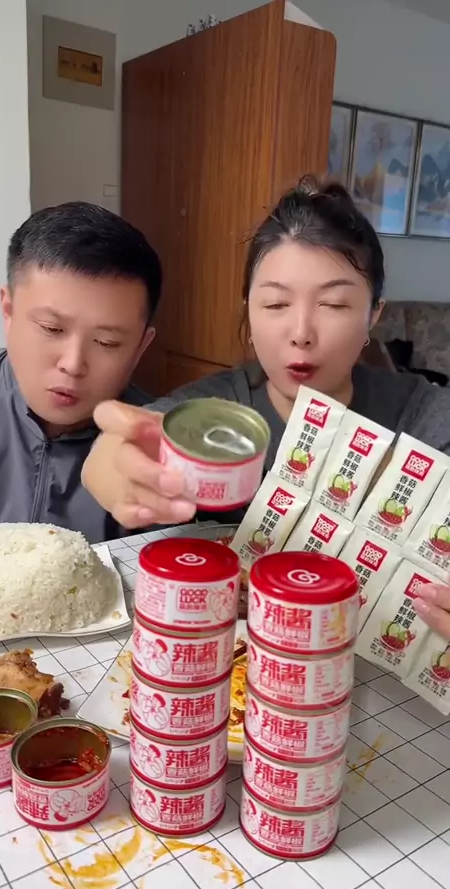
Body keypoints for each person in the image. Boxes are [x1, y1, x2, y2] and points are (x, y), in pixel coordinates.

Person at [82, 177, 450, 639]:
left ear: (373, 313)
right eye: (275, 303)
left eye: (335, 304)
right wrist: (113, 462)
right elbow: (122, 447)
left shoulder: (422, 416)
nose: (301, 333)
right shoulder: (213, 414)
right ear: (249, 310)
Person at [0, 201, 162, 542]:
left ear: (140, 347)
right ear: (8, 311)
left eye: (106, 342)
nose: (72, 364)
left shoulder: (152, 449)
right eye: (51, 328)